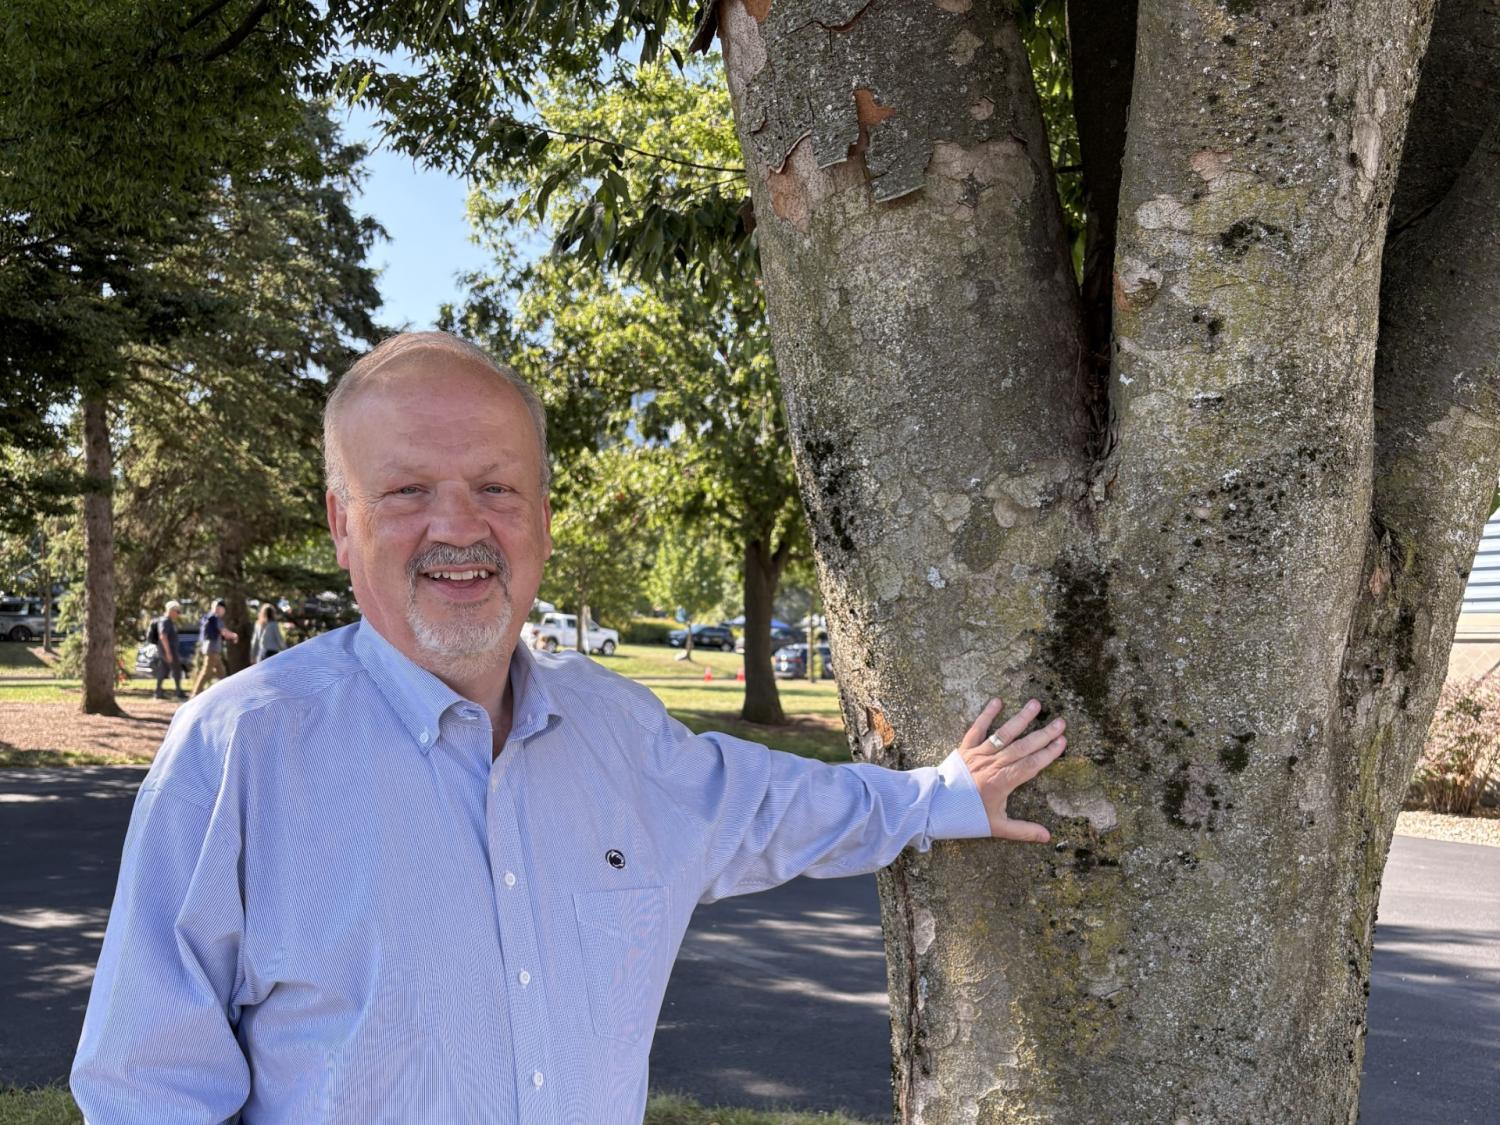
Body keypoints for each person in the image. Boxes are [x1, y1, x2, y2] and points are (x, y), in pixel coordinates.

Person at [72, 332, 1070, 1123]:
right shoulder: (239, 748)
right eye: (409, 491)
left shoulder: (616, 730)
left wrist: (944, 798)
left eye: (496, 489)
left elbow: (768, 807)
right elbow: (147, 1084)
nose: (458, 527)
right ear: (343, 524)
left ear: (543, 519)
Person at [188, 598, 238, 696]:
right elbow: (224, 632)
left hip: (210, 649)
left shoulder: (209, 617)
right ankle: (195, 694)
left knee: (221, 673)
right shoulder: (215, 618)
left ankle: (225, 693)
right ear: (221, 608)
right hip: (212, 650)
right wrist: (234, 635)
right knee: (206, 672)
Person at [148, 599, 188, 701]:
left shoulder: (169, 621)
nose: (178, 614)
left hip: (169, 650)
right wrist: (168, 652)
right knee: (175, 670)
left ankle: (159, 692)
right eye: (177, 611)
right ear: (171, 610)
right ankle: (177, 692)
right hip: (168, 650)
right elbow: (163, 636)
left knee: (164, 670)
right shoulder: (165, 621)